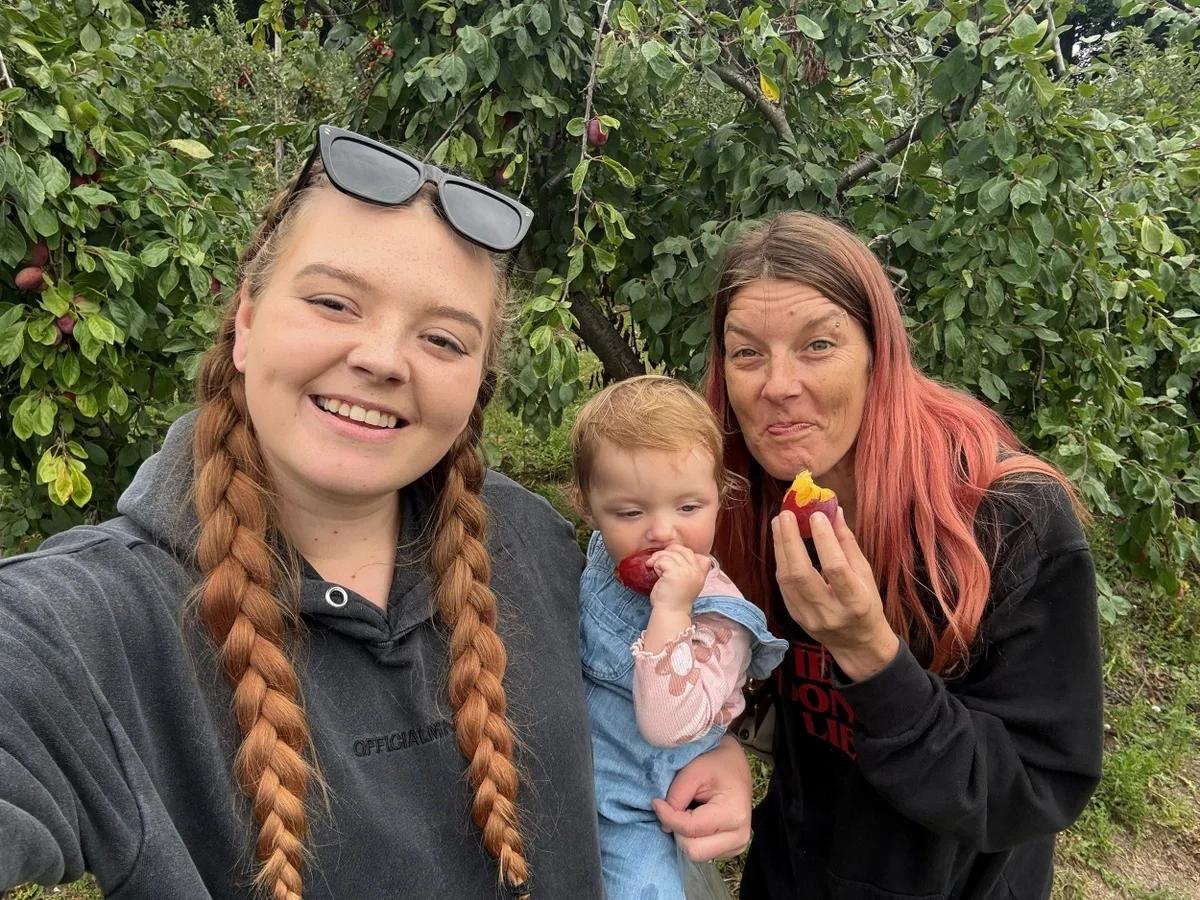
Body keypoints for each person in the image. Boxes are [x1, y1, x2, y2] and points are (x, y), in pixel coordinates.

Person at [0, 125, 750, 900]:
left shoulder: (531, 542)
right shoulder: (89, 626)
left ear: (477, 385)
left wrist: (704, 750)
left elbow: (628, 673)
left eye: (443, 340)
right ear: (247, 323)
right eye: (334, 303)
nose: (384, 359)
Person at [703, 211, 1104, 899]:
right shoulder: (746, 496)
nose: (777, 385)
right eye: (747, 354)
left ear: (877, 354)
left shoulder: (1006, 519)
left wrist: (869, 654)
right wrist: (721, 747)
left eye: (818, 344)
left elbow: (1033, 787)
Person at [569, 376, 787, 900]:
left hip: (636, 812)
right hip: (565, 778)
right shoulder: (601, 557)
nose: (662, 532)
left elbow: (668, 724)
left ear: (720, 497)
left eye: (688, 508)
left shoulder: (720, 622)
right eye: (630, 512)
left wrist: (671, 611)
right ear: (586, 506)